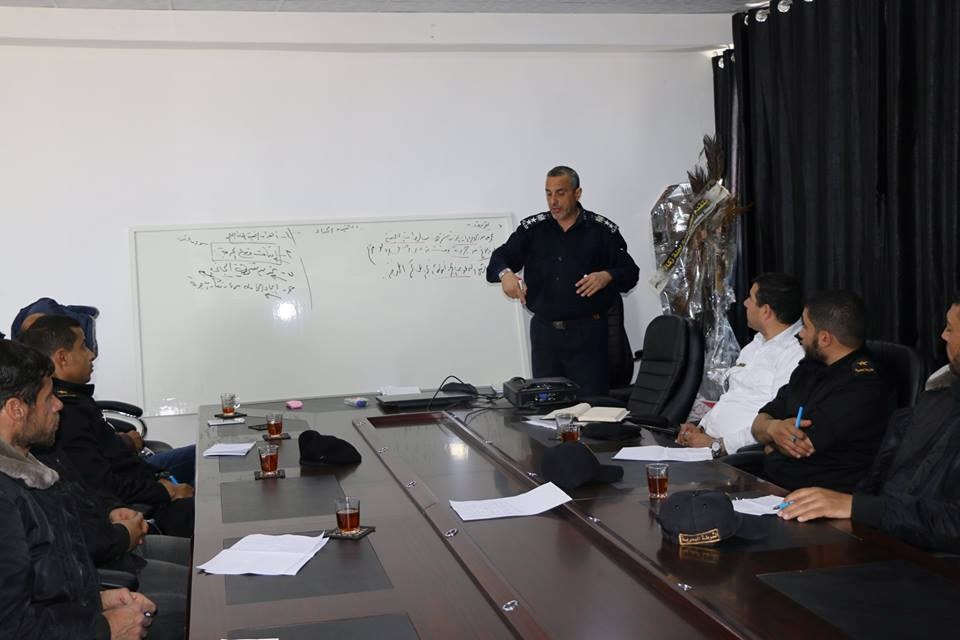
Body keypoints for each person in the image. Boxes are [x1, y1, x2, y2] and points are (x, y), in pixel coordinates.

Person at [0, 339, 156, 639]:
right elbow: (11, 629)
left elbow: (45, 586)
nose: (58, 405)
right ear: (16, 409)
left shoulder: (29, 469)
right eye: (48, 397)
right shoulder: (5, 498)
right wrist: (106, 628)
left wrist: (96, 600)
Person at [778, 297, 960, 553]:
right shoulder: (937, 399)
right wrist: (847, 504)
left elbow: (951, 524)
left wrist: (856, 506)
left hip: (930, 561)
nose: (943, 336)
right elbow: (888, 483)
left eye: (950, 328)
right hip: (886, 535)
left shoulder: (867, 384)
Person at [18, 315, 195, 537]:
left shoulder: (77, 399)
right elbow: (103, 484)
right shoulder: (65, 414)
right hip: (136, 506)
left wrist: (159, 480)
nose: (91, 354)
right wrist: (166, 491)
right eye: (83, 346)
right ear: (62, 357)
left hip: (140, 483)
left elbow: (109, 458)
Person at [486, 166, 640, 396]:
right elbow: (499, 258)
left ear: (577, 194)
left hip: (587, 336)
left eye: (560, 193)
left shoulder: (600, 230)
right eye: (548, 193)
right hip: (545, 337)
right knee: (547, 407)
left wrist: (607, 276)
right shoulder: (533, 230)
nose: (553, 201)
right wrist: (505, 274)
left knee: (591, 408)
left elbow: (630, 272)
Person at [749, 290, 897, 492]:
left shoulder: (864, 385)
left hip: (820, 496)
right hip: (777, 484)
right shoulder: (809, 368)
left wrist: (771, 444)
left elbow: (800, 447)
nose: (800, 333)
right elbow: (760, 421)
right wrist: (772, 428)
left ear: (825, 338)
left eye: (805, 327)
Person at [676, 273, 804, 456]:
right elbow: (733, 397)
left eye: (750, 298)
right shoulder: (755, 345)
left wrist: (717, 445)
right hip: (708, 444)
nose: (745, 303)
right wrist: (700, 427)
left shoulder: (795, 354)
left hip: (736, 457)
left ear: (766, 311)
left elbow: (774, 422)